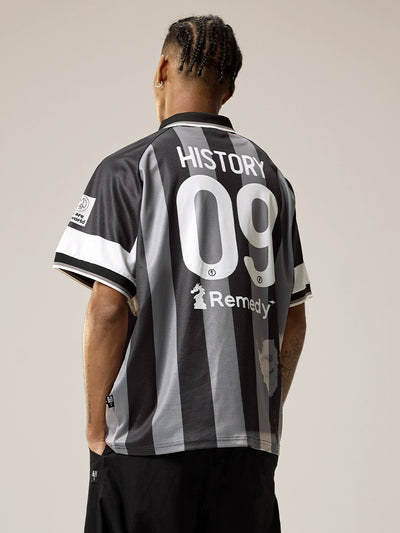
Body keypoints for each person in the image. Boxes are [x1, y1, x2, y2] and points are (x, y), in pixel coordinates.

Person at [53, 14, 312, 533]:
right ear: (229, 89)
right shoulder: (273, 179)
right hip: (249, 451)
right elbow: (294, 318)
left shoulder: (131, 168)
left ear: (161, 70)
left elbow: (107, 310)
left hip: (150, 446)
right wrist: (261, 408)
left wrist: (95, 428)